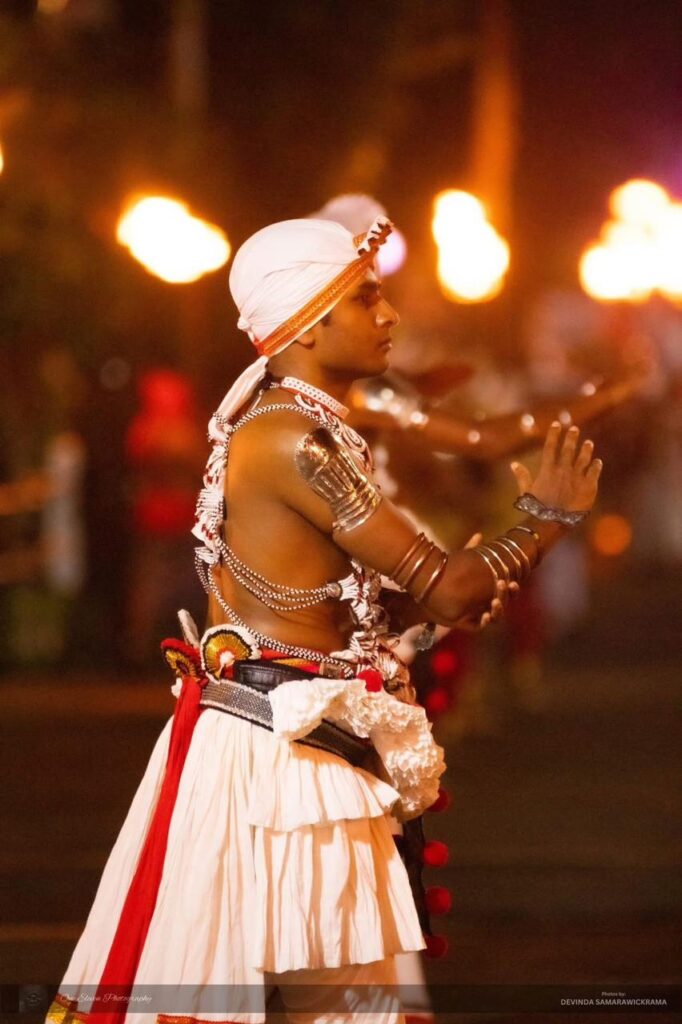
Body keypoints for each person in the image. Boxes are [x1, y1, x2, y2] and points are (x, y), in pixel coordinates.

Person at [46, 216, 602, 1024]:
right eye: (366, 298)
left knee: (340, 1009)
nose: (390, 315)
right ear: (308, 323)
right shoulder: (298, 441)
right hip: (275, 761)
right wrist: (548, 517)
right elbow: (447, 587)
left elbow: (378, 595)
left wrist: (436, 598)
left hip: (291, 742)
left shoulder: (292, 423)